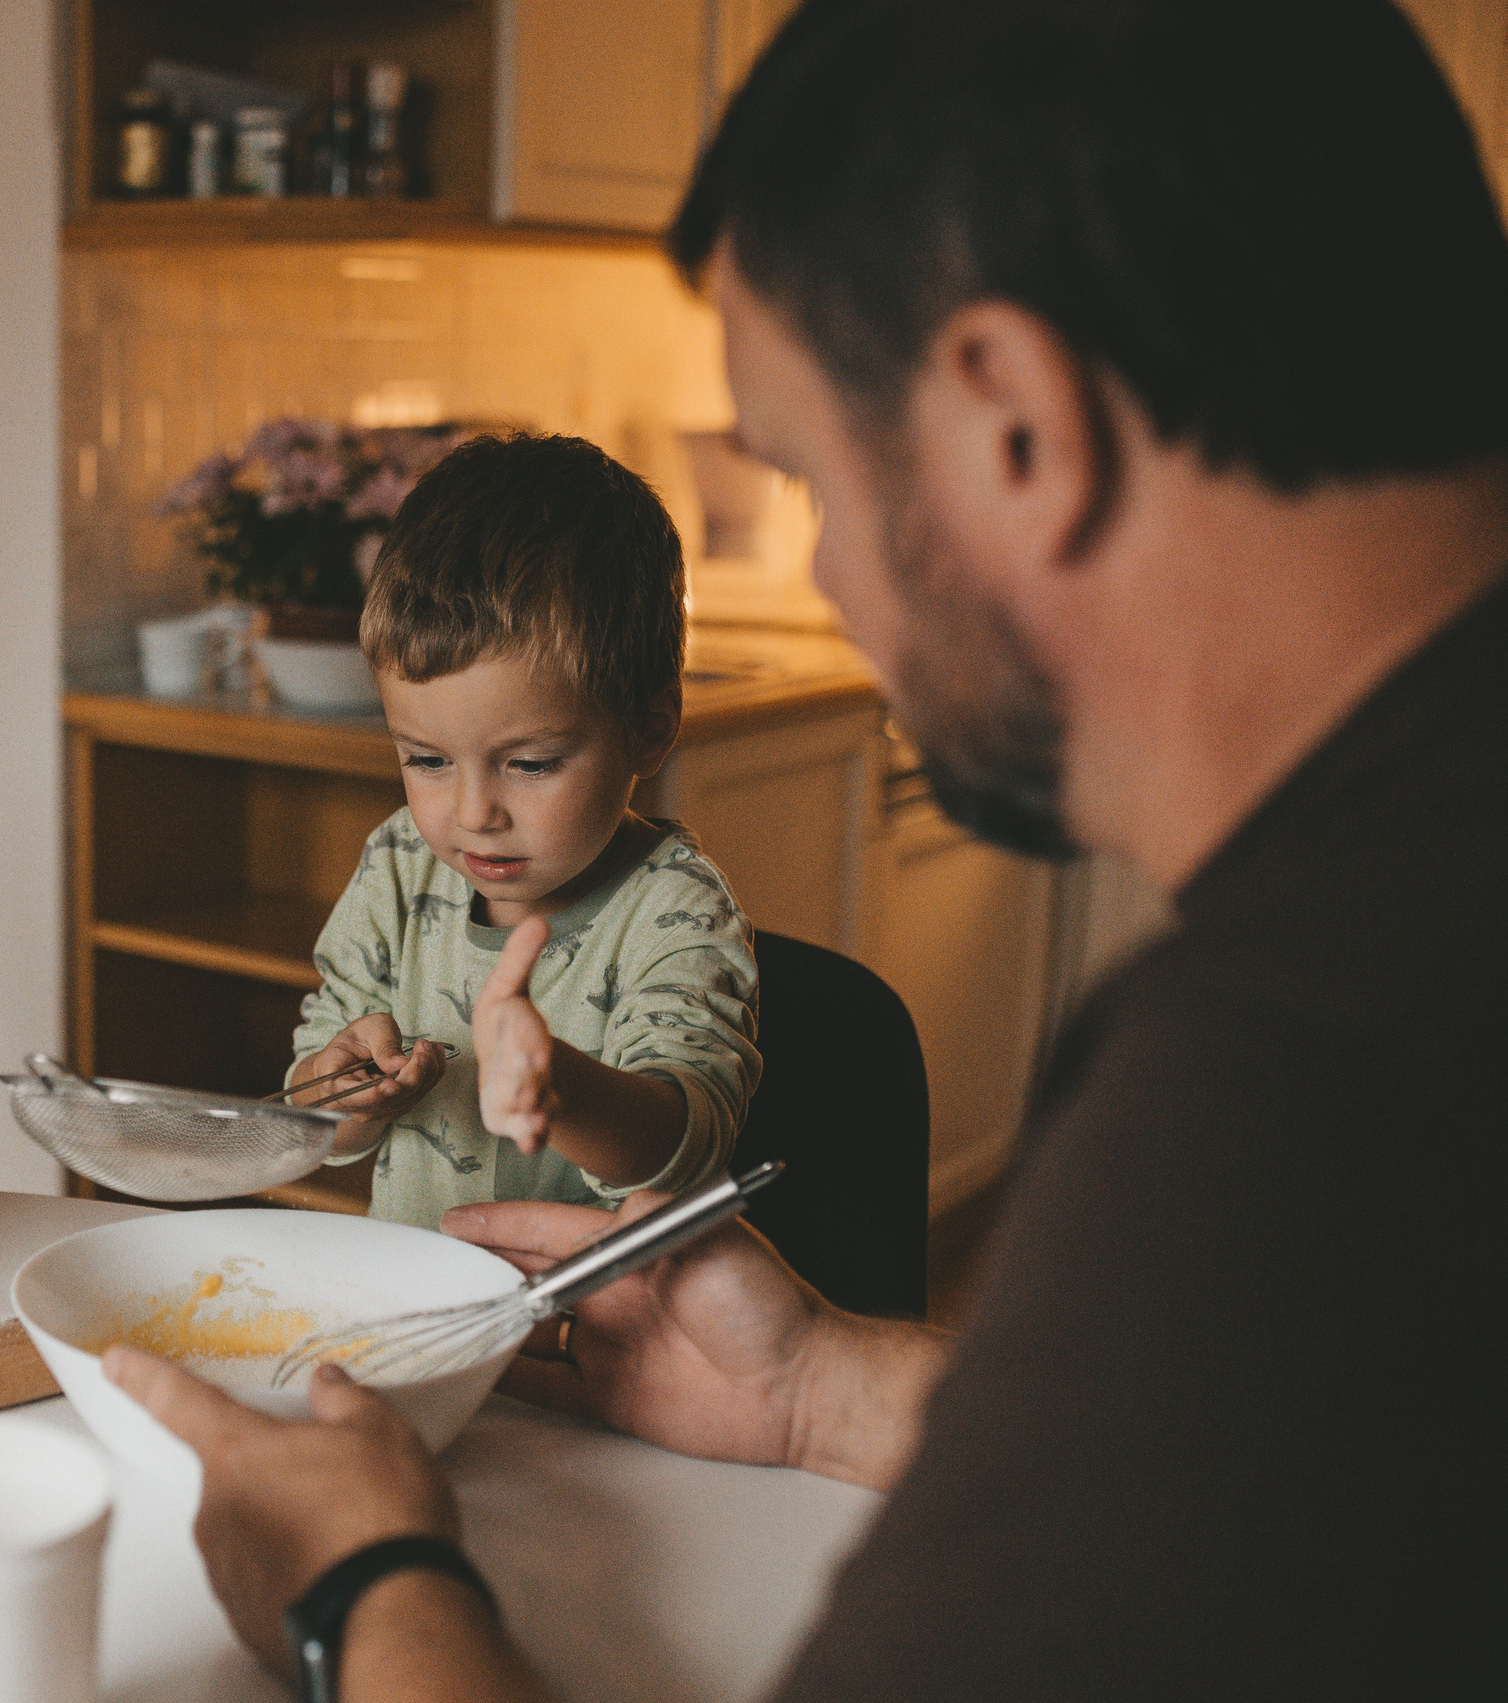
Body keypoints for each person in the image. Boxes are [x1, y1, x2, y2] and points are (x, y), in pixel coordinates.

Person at [106, 1, 1506, 1698]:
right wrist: (821, 1385)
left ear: (1016, 421)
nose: (830, 577)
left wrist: (365, 1583)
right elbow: (1275, 1474)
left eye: (814, 478)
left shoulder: (1307, 1076)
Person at [285, 435, 760, 1229]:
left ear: (648, 730)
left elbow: (684, 1147)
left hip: (591, 1309)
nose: (474, 813)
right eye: (427, 759)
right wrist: (341, 1095)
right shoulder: (401, 862)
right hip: (412, 1295)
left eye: (531, 763)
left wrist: (557, 1085)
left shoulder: (674, 910)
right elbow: (315, 1118)